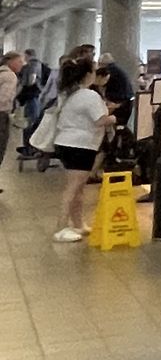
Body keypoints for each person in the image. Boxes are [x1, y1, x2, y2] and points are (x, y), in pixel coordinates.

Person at [46, 59, 112, 242]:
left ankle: (77, 223)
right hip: (80, 145)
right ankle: (60, 227)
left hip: (66, 143)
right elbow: (100, 119)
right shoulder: (89, 95)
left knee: (79, 187)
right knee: (73, 187)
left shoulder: (71, 94)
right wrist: (113, 118)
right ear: (88, 74)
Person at [0, 52, 21, 169]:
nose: (21, 65)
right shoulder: (10, 76)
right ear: (10, 61)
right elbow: (4, 98)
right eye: (19, 61)